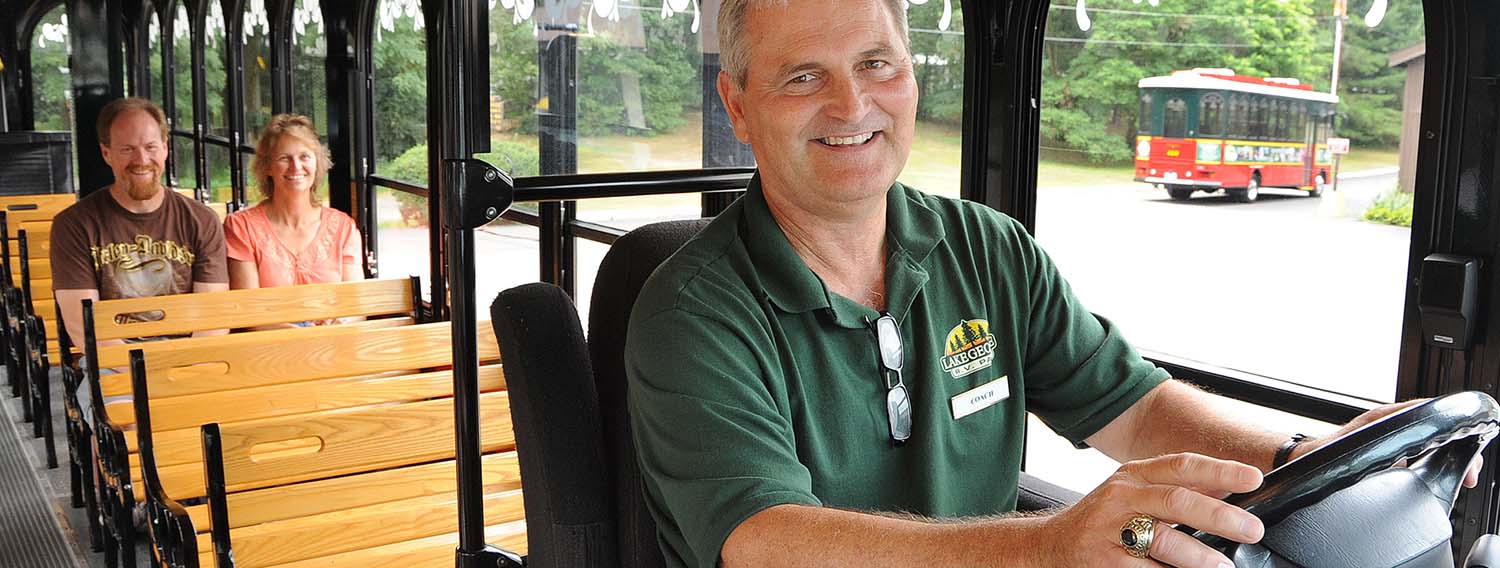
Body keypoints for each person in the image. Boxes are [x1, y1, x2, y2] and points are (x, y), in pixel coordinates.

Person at [623, 2, 1479, 568]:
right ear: (738, 106)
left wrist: (1309, 451)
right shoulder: (693, 312)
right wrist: (1044, 545)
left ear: (912, 78)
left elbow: (1136, 409)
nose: (853, 106)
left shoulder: (988, 250)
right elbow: (763, 538)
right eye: (804, 76)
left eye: (877, 64)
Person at [51, 97, 229, 421]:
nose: (141, 159)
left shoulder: (201, 220)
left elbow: (213, 319)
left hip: (189, 359)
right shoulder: (74, 225)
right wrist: (147, 372)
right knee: (128, 426)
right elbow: (83, 328)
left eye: (150, 146)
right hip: (113, 363)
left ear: (165, 147)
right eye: (127, 149)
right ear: (106, 153)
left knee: (228, 420)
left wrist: (178, 368)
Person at [224, 114, 362, 299]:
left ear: (317, 163)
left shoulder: (344, 228)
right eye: (284, 158)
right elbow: (250, 310)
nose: (296, 166)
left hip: (334, 328)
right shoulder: (242, 228)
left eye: (305, 156)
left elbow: (355, 305)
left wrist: (339, 324)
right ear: (267, 167)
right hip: (273, 329)